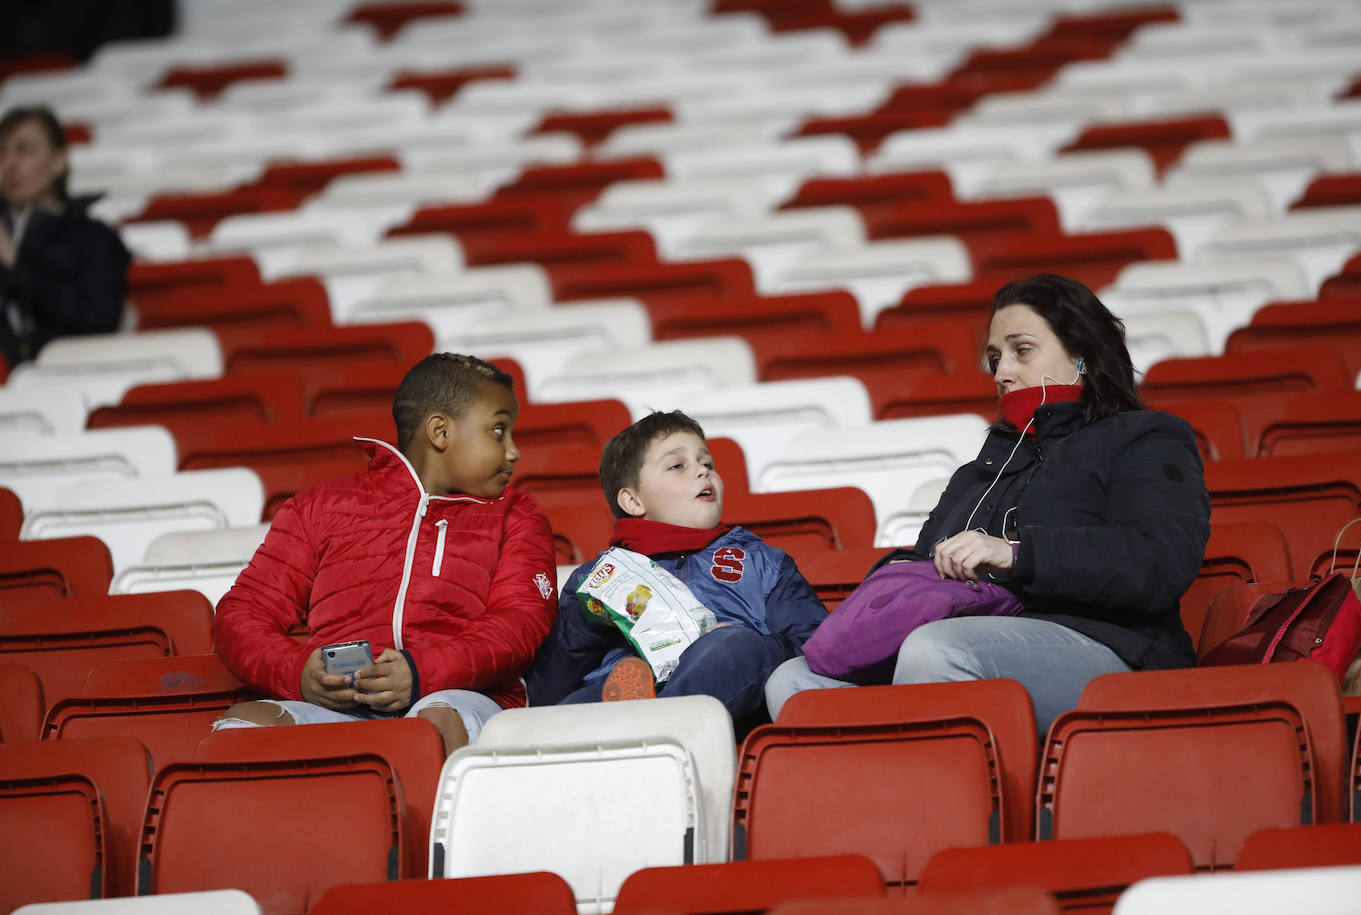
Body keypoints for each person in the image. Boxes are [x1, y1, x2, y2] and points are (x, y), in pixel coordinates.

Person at [766, 274, 1211, 735]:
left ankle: (952, 805)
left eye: (1022, 351)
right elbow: (922, 568)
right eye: (995, 358)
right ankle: (874, 802)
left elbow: (1159, 559)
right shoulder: (980, 471)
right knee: (796, 680)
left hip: (1112, 645)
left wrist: (1016, 554)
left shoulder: (1145, 437)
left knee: (936, 650)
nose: (1001, 372)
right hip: (969, 632)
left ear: (1084, 356)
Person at [213, 354, 558, 754]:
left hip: (458, 697)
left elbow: (519, 625)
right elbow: (241, 614)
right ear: (440, 432)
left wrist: (419, 673)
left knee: (432, 723)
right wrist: (299, 672)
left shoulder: (517, 515)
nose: (513, 451)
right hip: (341, 706)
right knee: (242, 728)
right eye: (499, 430)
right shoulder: (320, 505)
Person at [525, 410, 829, 732]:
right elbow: (547, 691)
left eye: (707, 463)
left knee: (733, 645)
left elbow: (816, 648)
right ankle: (647, 729)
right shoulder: (597, 578)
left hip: (725, 713)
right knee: (577, 705)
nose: (702, 471)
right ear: (632, 501)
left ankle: (656, 729)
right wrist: (585, 623)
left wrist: (763, 647)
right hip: (620, 702)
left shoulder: (762, 561)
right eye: (677, 466)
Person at [0, 104, 130, 368]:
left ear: (59, 161)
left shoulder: (93, 237)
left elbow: (98, 320)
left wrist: (16, 262)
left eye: (24, 150)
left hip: (70, 379)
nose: (10, 164)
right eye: (1, 153)